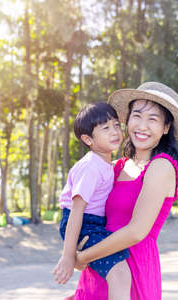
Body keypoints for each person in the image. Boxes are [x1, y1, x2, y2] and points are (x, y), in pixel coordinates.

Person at [72, 82, 178, 299]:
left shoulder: (161, 167)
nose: (142, 126)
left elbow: (136, 231)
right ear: (127, 119)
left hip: (133, 272)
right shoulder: (114, 167)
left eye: (153, 119)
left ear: (166, 128)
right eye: (137, 115)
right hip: (100, 270)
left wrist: (82, 257)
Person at [52, 102, 132, 300]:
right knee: (120, 273)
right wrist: (68, 256)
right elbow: (76, 211)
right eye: (105, 128)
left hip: (94, 223)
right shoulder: (90, 167)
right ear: (88, 139)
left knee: (112, 274)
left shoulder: (104, 163)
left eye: (116, 125)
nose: (114, 132)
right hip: (84, 224)